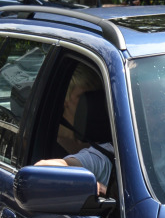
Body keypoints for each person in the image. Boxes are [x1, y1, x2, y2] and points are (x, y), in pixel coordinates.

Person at [36, 64, 113, 194]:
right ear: (64, 101)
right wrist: (94, 186)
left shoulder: (115, 140)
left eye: (99, 96)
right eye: (86, 98)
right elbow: (41, 168)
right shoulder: (47, 136)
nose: (95, 104)